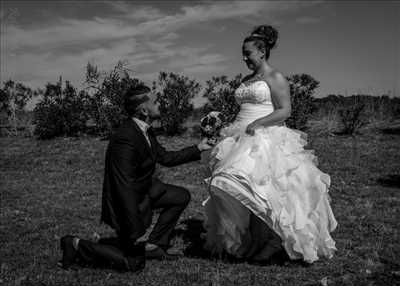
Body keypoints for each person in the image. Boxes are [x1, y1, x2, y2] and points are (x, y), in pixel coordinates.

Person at [203, 25, 338, 264]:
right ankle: (251, 239)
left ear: (262, 52)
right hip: (238, 136)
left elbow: (285, 110)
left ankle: (273, 240)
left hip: (265, 137)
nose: (244, 58)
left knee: (261, 190)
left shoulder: (275, 77)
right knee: (229, 183)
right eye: (243, 53)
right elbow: (243, 108)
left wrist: (259, 123)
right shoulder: (247, 80)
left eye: (248, 53)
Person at [59, 84, 211, 271]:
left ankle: (155, 246)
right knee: (133, 264)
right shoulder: (126, 137)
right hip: (126, 204)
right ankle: (74, 244)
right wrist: (134, 226)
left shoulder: (144, 130)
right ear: (144, 109)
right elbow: (123, 185)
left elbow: (164, 157)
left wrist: (199, 148)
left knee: (180, 196)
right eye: (155, 101)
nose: (160, 104)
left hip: (144, 191)